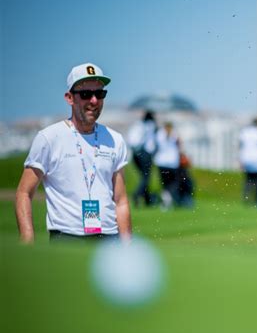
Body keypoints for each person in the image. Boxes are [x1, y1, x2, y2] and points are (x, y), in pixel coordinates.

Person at [15, 62, 132, 243]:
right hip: (67, 237)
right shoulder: (49, 138)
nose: (94, 100)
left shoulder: (115, 139)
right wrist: (28, 242)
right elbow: (24, 193)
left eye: (99, 94)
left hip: (110, 239)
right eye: (86, 94)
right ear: (69, 98)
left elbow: (121, 201)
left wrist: (127, 248)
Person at [127, 110, 158, 207]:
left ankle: (147, 199)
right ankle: (137, 195)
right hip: (145, 154)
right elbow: (152, 143)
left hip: (135, 154)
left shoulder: (138, 125)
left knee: (144, 177)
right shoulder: (151, 125)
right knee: (146, 177)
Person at [239, 116, 257, 206]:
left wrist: (240, 159)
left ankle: (246, 198)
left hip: (246, 158)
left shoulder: (245, 132)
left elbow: (240, 145)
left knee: (248, 180)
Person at [154, 121, 181, 209]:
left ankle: (166, 197)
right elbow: (179, 145)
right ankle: (169, 197)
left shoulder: (160, 134)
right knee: (173, 182)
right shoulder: (174, 134)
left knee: (165, 182)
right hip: (172, 162)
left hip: (162, 161)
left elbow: (156, 145)